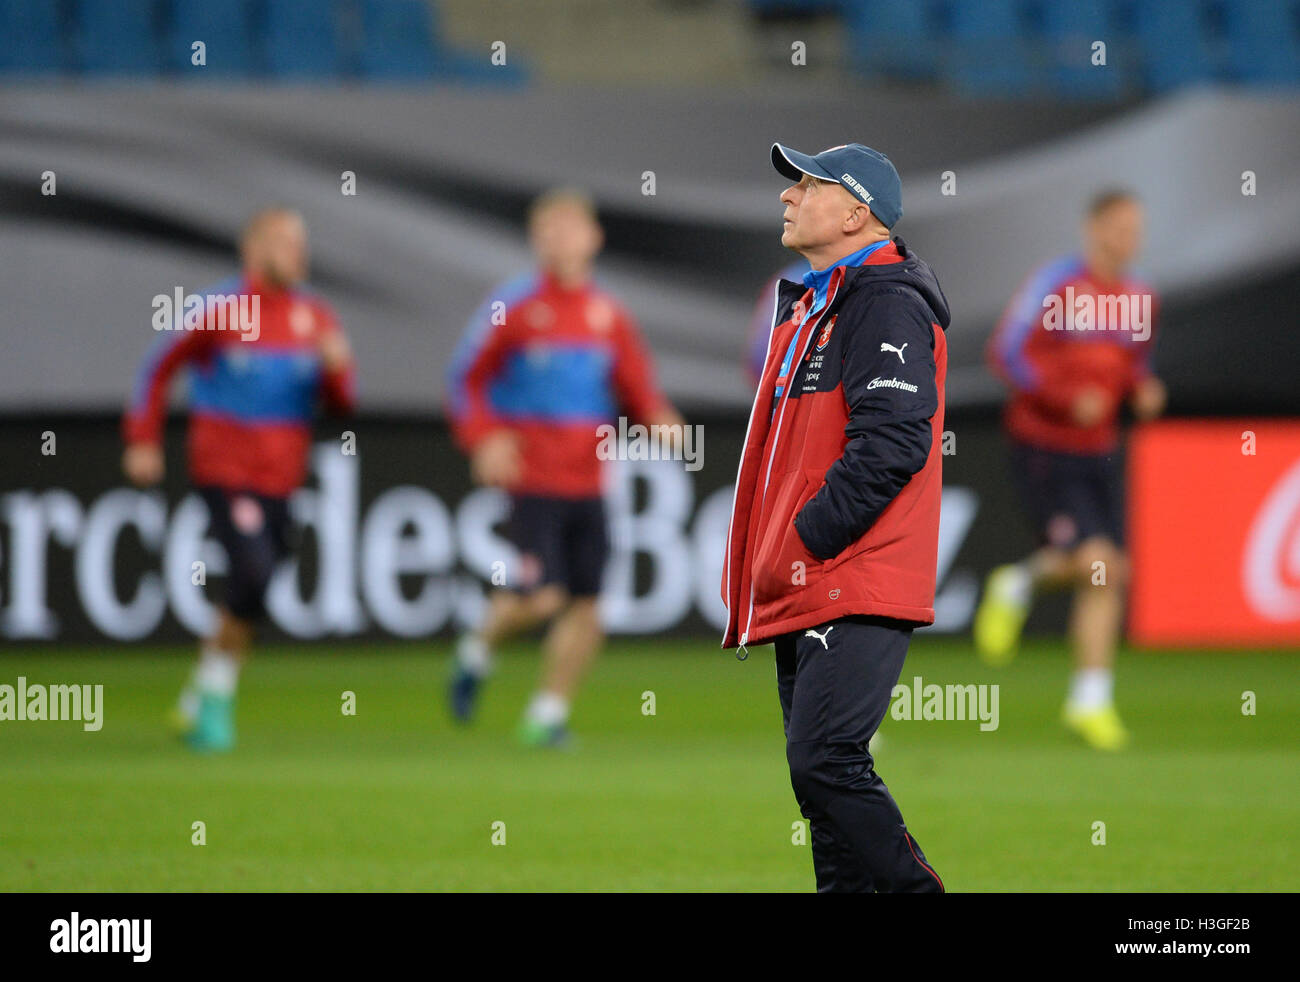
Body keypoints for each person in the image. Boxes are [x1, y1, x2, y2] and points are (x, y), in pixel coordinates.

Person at [722, 143, 949, 892]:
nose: (788, 198)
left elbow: (891, 443)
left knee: (825, 762)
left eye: (809, 185)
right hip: (812, 578)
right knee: (819, 786)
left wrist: (807, 539)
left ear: (858, 214)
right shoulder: (815, 302)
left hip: (847, 571)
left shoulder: (883, 299)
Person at [447, 188, 683, 747]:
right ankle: (477, 647)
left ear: (593, 237)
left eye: (571, 228)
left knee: (588, 605)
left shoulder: (608, 315)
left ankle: (547, 713)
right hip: (533, 478)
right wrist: (483, 440)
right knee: (543, 596)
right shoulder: (512, 306)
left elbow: (636, 389)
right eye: (549, 229)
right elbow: (465, 381)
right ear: (537, 239)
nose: (561, 239)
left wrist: (661, 419)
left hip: (590, 480)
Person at [122, 207, 356, 752]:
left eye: (300, 242)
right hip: (225, 469)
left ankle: (197, 695)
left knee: (257, 585)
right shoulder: (219, 307)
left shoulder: (316, 317)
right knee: (251, 570)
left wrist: (336, 370)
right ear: (252, 250)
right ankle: (217, 706)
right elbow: (156, 371)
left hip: (282, 476)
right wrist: (142, 438)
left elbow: (343, 405)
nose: (296, 252)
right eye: (282, 242)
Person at [976, 189, 1165, 751]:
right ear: (1094, 228)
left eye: (1136, 228)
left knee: (1106, 571)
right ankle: (1090, 698)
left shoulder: (1141, 296)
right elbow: (1006, 352)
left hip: (1101, 449)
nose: (1129, 238)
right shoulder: (1057, 283)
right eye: (1120, 226)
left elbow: (1134, 364)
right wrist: (1063, 396)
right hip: (1045, 444)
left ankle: (1084, 693)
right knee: (1100, 563)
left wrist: (1143, 389)